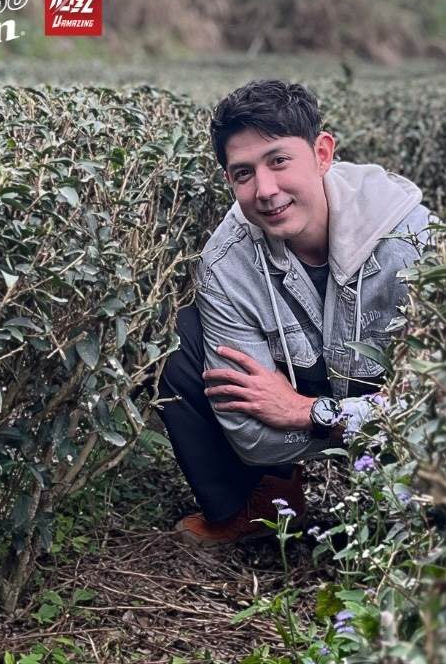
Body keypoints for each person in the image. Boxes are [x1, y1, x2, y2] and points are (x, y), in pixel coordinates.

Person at [157, 79, 431, 545]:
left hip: (351, 393)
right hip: (334, 393)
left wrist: (310, 413)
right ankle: (260, 500)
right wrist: (371, 422)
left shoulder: (413, 241)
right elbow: (250, 434)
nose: (265, 190)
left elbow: (441, 412)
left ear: (323, 153)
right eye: (243, 173)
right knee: (178, 344)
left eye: (279, 161)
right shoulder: (226, 260)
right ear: (229, 180)